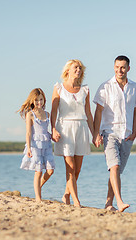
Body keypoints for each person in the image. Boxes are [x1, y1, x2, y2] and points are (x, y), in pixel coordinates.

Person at [92, 55, 136, 212]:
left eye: (122, 67)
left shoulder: (135, 88)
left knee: (116, 171)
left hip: (127, 135)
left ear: (128, 68)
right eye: (116, 67)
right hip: (110, 133)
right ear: (113, 67)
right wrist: (96, 133)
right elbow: (98, 112)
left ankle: (109, 203)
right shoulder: (105, 87)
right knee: (114, 166)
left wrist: (134, 132)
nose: (119, 70)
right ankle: (120, 202)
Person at [51, 59, 94, 207]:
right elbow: (54, 111)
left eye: (80, 68)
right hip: (65, 128)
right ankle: (76, 201)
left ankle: (66, 195)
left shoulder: (85, 90)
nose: (78, 70)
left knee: (78, 168)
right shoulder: (59, 88)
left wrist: (94, 133)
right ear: (68, 70)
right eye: (76, 67)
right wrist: (53, 129)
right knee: (70, 167)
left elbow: (88, 113)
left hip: (81, 128)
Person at [18, 88, 55, 202]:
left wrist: (54, 135)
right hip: (35, 145)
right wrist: (28, 148)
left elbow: (49, 129)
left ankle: (37, 187)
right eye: (37, 100)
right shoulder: (30, 114)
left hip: (47, 144)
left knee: (50, 170)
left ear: (44, 100)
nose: (39, 102)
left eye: (41, 99)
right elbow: (29, 132)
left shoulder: (47, 114)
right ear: (33, 101)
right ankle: (38, 198)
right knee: (38, 171)